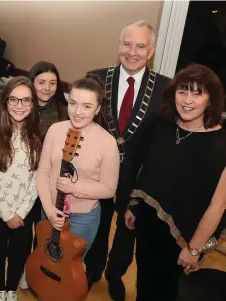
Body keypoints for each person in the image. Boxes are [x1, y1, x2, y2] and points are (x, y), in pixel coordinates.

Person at [83, 20, 170, 300]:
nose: (132, 52)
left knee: (126, 233)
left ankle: (115, 274)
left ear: (151, 50)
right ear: (119, 45)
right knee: (96, 226)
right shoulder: (95, 77)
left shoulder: (166, 89)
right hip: (97, 175)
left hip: (138, 178)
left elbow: (162, 141)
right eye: (127, 44)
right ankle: (91, 271)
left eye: (141, 46)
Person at [124, 63, 226, 301]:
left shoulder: (221, 144)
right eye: (183, 91)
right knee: (145, 281)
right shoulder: (163, 126)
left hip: (185, 236)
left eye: (197, 93)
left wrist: (193, 249)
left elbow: (218, 206)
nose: (187, 100)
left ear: (210, 100)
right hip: (148, 223)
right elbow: (148, 170)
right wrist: (134, 205)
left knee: (168, 290)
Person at [38, 74, 120, 260]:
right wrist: (49, 210)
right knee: (46, 256)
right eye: (73, 103)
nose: (77, 111)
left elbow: (109, 189)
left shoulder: (107, 142)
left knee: (69, 267)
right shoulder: (55, 130)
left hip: (83, 218)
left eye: (87, 106)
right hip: (51, 209)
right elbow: (43, 172)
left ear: (98, 109)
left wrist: (74, 188)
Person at [0, 76, 41, 301]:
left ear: (33, 104)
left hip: (23, 211)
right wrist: (7, 214)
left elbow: (36, 178)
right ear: (5, 102)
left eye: (26, 100)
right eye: (14, 100)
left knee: (19, 253)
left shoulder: (35, 134)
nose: (20, 106)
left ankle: (11, 289)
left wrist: (21, 212)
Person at [18, 61, 69, 289]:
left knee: (45, 228)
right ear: (31, 83)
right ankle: (24, 268)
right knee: (24, 230)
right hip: (24, 180)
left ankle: (40, 266)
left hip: (50, 183)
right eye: (41, 82)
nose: (47, 88)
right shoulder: (23, 107)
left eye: (52, 83)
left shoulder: (64, 110)